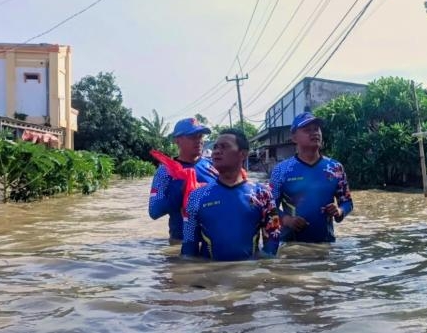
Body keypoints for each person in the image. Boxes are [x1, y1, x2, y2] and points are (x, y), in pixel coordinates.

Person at [182, 129, 281, 261]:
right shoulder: (196, 196)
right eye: (215, 147)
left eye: (224, 147)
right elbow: (188, 249)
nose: (216, 151)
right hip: (210, 276)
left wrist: (259, 275)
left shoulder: (263, 194)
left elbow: (272, 245)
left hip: (248, 276)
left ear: (243, 154)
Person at [270, 110, 353, 243]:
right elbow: (269, 208)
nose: (314, 133)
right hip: (291, 248)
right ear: (294, 137)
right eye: (307, 130)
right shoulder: (281, 170)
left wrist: (339, 210)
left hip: (325, 245)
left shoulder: (335, 168)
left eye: (317, 129)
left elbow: (347, 202)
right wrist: (287, 220)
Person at [148, 117, 218, 243]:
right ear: (177, 140)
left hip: (212, 244)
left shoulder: (213, 166)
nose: (199, 141)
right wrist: (178, 192)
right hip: (180, 244)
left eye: (200, 136)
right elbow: (154, 211)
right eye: (192, 137)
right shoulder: (165, 172)